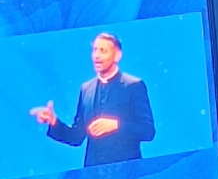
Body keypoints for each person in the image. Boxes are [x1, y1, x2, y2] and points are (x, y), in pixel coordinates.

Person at [31, 33, 155, 167]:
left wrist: (117, 125)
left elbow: (148, 131)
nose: (97, 55)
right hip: (93, 175)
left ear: (117, 55)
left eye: (103, 51)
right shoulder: (86, 89)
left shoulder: (134, 86)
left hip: (126, 172)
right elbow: (76, 137)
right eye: (95, 50)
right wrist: (54, 121)